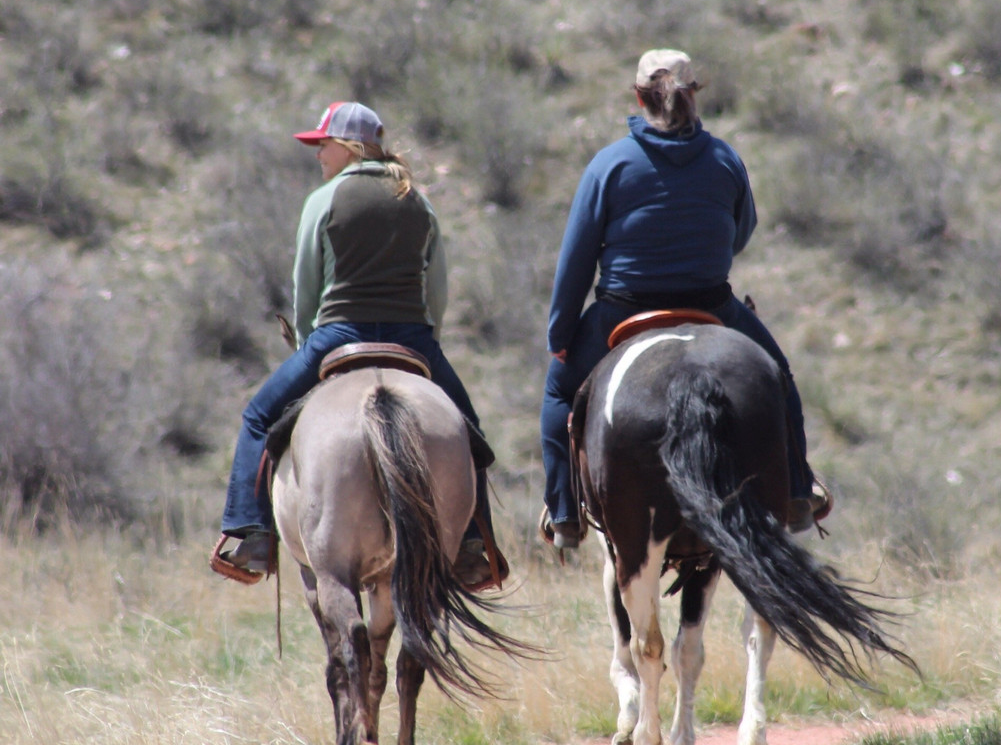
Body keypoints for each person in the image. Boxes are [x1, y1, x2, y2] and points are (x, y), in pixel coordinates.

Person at [540, 49, 831, 549]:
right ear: (694, 93)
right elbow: (741, 233)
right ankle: (798, 493)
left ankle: (564, 512)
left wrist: (561, 334)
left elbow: (577, 259)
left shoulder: (608, 165)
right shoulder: (725, 159)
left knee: (558, 397)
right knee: (779, 381)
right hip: (712, 306)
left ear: (638, 96)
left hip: (621, 309)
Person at [213, 101, 506, 590]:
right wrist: (426, 344)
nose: (318, 155)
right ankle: (473, 546)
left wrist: (308, 343)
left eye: (323, 145)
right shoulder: (418, 200)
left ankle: (253, 534)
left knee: (259, 417)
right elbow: (437, 290)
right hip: (411, 336)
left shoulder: (324, 199)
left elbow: (306, 287)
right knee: (467, 430)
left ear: (348, 146)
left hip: (339, 334)